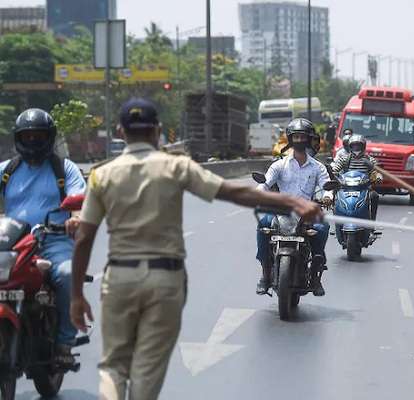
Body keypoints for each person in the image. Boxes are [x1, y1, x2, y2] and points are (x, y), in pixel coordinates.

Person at [70, 98, 321, 400]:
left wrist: (75, 295)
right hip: (165, 280)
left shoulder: (101, 174)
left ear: (120, 132)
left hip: (119, 278)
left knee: (113, 368)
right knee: (147, 371)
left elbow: (84, 237)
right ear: (157, 132)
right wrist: (293, 202)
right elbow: (233, 192)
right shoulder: (175, 167)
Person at [0, 109, 86, 364]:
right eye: (28, 137)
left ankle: (64, 343)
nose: (33, 141)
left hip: (53, 240)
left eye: (39, 136)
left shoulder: (64, 169)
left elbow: (79, 199)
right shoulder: (8, 169)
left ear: (49, 138)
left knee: (69, 274)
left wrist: (76, 218)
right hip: (13, 243)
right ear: (19, 139)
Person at [256, 118, 333, 296]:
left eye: (302, 137)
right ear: (290, 139)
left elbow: (325, 186)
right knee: (263, 224)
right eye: (295, 137)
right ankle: (265, 274)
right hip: (281, 211)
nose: (299, 140)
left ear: (309, 139)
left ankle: (315, 274)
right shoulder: (279, 165)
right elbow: (266, 183)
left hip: (306, 213)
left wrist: (328, 197)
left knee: (323, 227)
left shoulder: (318, 168)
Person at [332, 134, 383, 220]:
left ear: (363, 147)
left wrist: (378, 177)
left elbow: (376, 171)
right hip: (346, 187)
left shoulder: (369, 160)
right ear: (350, 147)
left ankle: (372, 222)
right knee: (334, 194)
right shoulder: (345, 159)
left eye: (358, 145)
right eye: (354, 145)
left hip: (364, 187)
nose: (356, 148)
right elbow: (336, 169)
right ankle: (337, 220)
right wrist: (333, 173)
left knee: (374, 196)